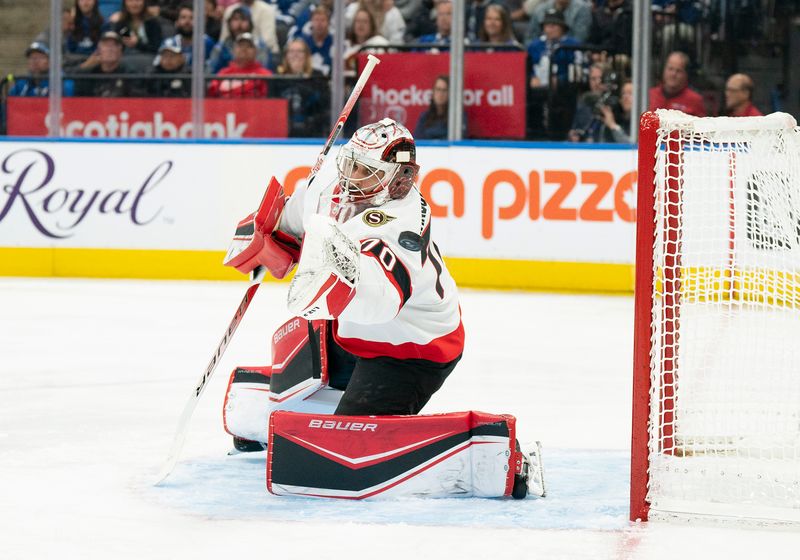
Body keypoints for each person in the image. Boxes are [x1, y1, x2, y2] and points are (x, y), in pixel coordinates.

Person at [274, 38, 329, 137]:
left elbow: (324, 105)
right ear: (286, 56)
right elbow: (273, 105)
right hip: (284, 130)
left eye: (299, 51)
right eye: (292, 51)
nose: (295, 55)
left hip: (313, 131)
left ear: (306, 55)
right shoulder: (278, 78)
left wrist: (301, 76)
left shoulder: (317, 76)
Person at [207, 5, 271, 73]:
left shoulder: (260, 46)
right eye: (235, 19)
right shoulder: (220, 48)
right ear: (229, 23)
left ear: (250, 23)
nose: (239, 24)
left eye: (244, 19)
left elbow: (266, 74)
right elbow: (210, 74)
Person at [207, 32, 272, 98]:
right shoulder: (223, 73)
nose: (244, 49)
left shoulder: (264, 74)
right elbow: (212, 93)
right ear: (234, 50)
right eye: (240, 45)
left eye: (249, 46)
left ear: (256, 51)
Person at [74, 31, 137, 96]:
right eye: (106, 45)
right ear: (99, 50)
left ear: (120, 51)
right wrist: (86, 65)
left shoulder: (129, 74)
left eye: (114, 45)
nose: (110, 49)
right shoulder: (90, 74)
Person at [648, 51, 706, 117]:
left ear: (686, 74)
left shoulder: (695, 100)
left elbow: (701, 126)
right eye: (670, 69)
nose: (673, 74)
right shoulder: (650, 95)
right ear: (664, 70)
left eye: (678, 71)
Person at [415, 75, 466, 139]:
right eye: (438, 89)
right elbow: (418, 140)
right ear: (433, 92)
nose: (440, 94)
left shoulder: (457, 118)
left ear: (450, 93)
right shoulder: (425, 117)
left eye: (444, 90)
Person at [344, 8, 389, 74]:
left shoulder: (380, 43)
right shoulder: (345, 46)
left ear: (372, 25)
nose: (361, 24)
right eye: (358, 21)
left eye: (365, 21)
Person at [525, 0, 590, 43]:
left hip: (568, 50)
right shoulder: (541, 9)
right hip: (542, 50)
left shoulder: (582, 8)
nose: (551, 27)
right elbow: (530, 37)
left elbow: (580, 39)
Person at [298, 5, 334, 77]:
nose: (319, 24)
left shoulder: (335, 42)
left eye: (323, 20)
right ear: (311, 22)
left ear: (328, 23)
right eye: (316, 20)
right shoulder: (302, 43)